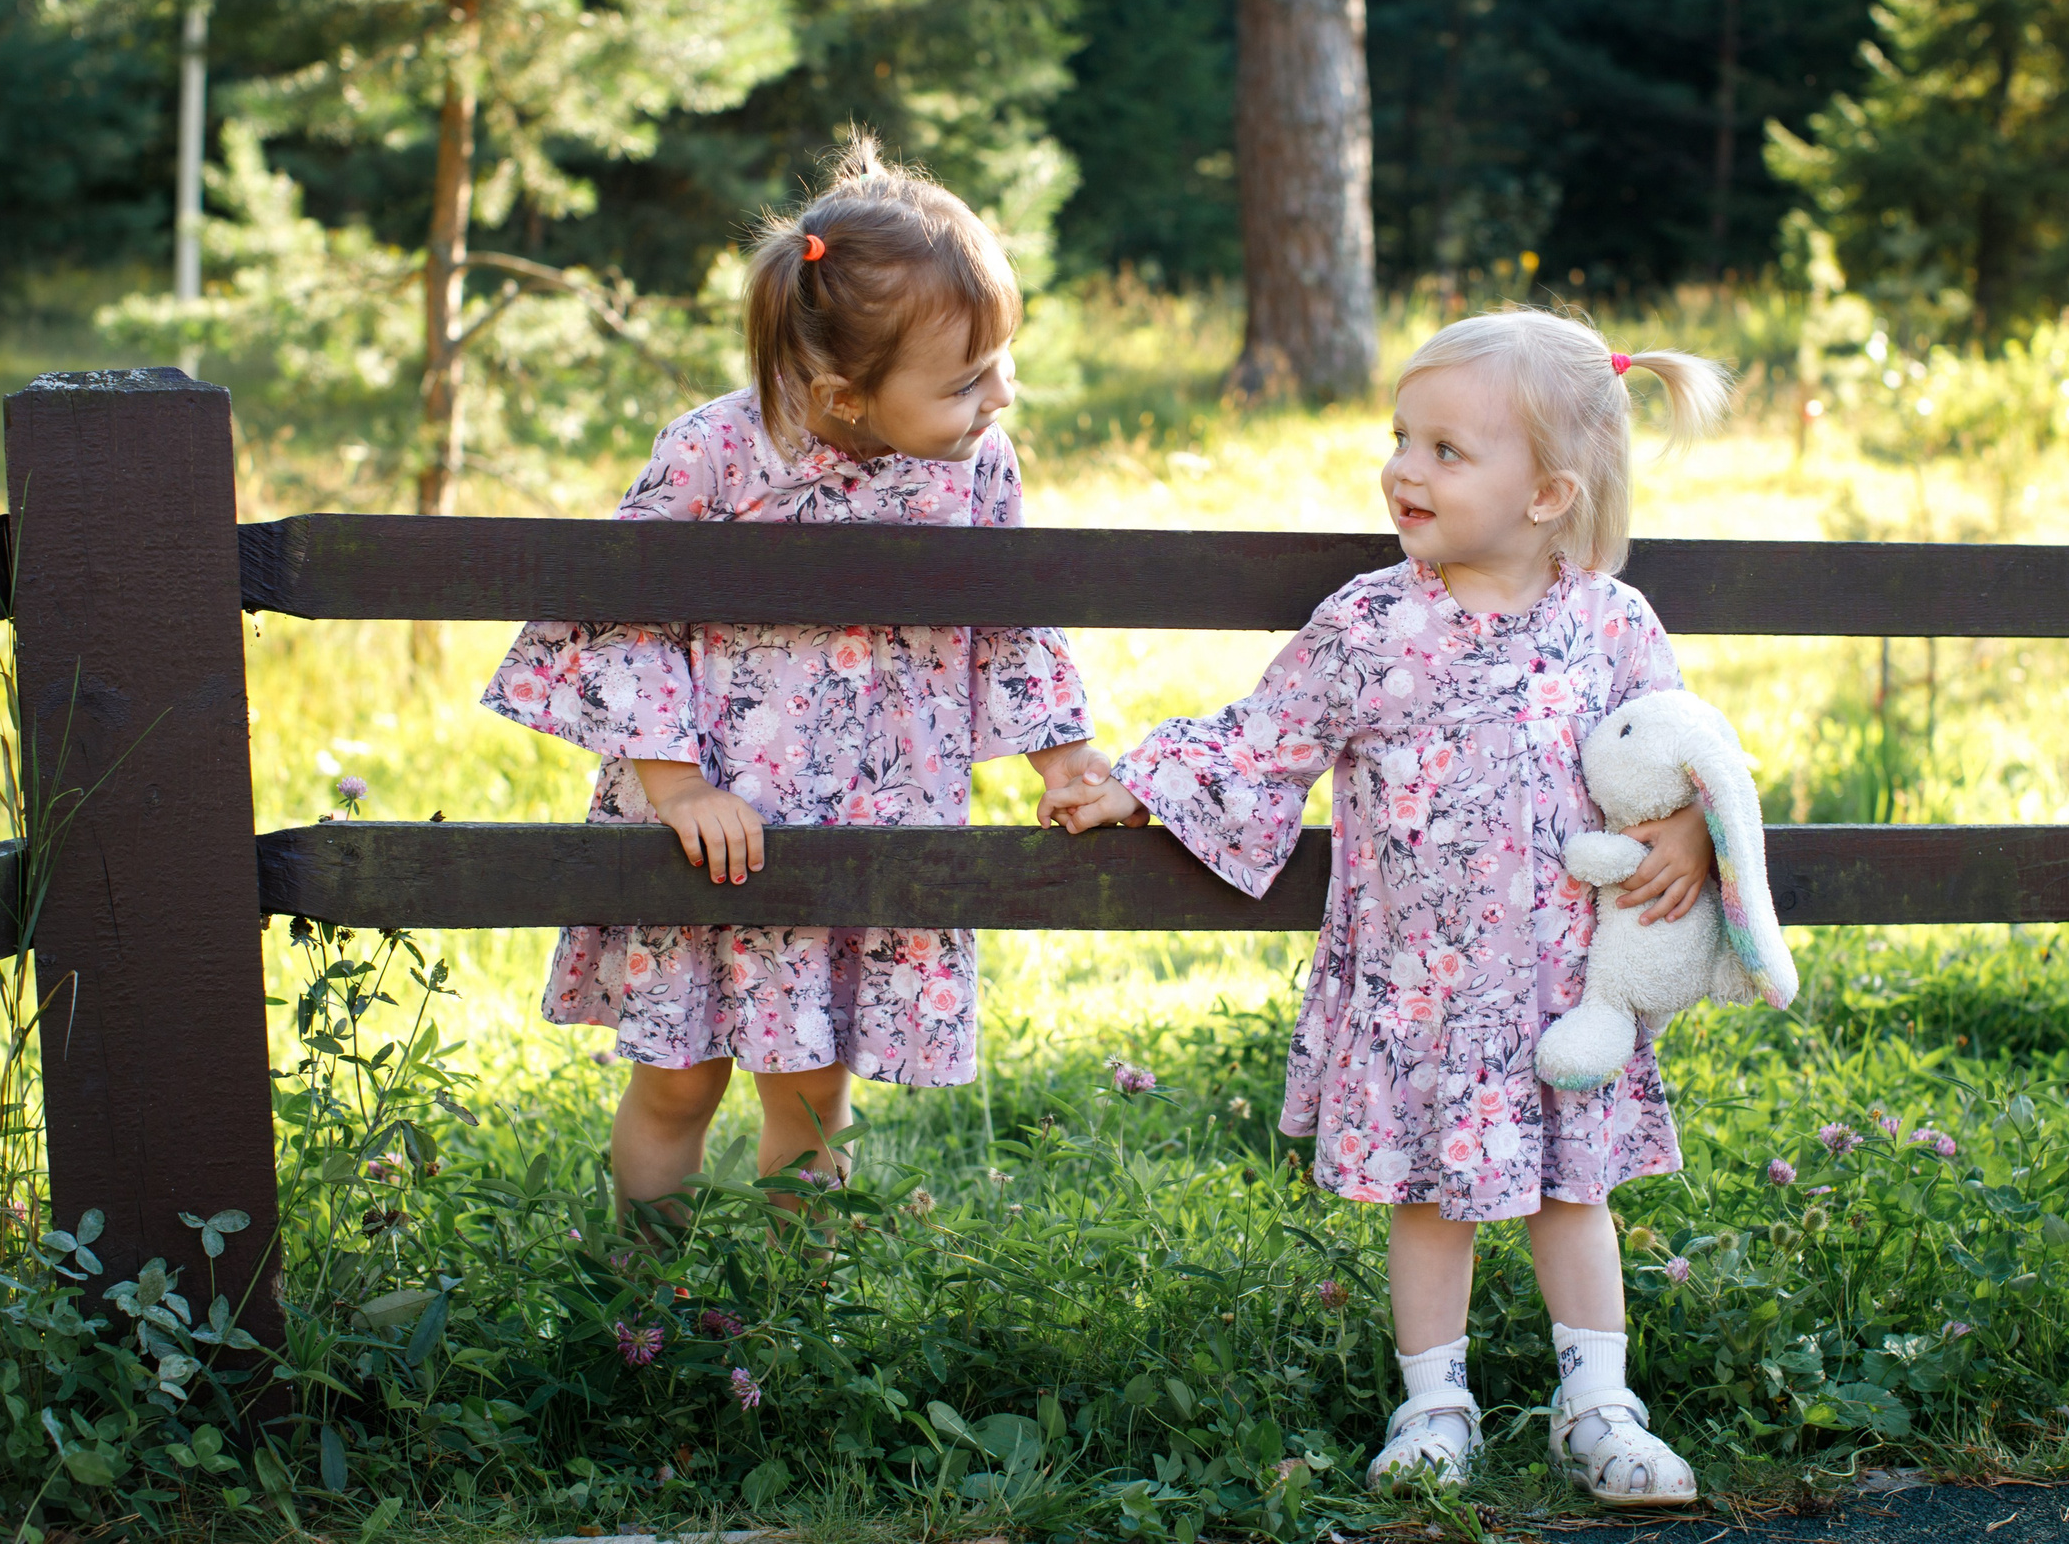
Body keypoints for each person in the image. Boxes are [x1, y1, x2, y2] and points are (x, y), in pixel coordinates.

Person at [1046, 308, 1731, 1507]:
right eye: (1401, 437)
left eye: (1447, 452)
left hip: (1565, 986)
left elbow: (1675, 746)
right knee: (1428, 1196)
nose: (1404, 470)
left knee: (1576, 1193)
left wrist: (1686, 829)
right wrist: (1140, 784)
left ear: (1546, 494)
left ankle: (1597, 1406)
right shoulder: (1371, 623)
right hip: (1424, 986)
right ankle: (1434, 1406)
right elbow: (1265, 739)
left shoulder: (1608, 623)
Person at [483, 134, 1129, 1223]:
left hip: (863, 824)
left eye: (1003, 360)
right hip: (709, 823)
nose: (1001, 395)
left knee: (811, 1092)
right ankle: (643, 1295)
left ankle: (785, 1319)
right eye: (967, 379)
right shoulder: (717, 455)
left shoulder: (973, 469)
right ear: (840, 390)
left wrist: (1064, 759)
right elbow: (621, 616)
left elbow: (1011, 618)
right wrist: (675, 785)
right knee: (678, 1081)